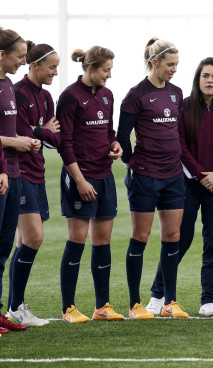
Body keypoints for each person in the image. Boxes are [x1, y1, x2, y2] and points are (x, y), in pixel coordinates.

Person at [147, 57, 213, 317]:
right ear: (197, 80)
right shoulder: (183, 108)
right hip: (187, 184)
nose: (209, 81)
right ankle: (158, 294)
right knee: (179, 239)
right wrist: (202, 175)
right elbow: (180, 146)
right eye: (205, 76)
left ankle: (208, 300)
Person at [118, 38, 188, 319]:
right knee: (141, 236)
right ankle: (136, 304)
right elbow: (122, 137)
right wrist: (133, 162)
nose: (174, 69)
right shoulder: (135, 95)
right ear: (154, 62)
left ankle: (170, 301)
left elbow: (177, 132)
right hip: (145, 177)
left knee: (173, 236)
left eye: (177, 65)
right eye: (170, 64)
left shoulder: (177, 93)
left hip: (173, 176)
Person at [56, 45, 124, 323]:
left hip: (104, 176)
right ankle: (68, 308)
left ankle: (102, 306)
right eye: (106, 70)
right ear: (91, 68)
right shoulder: (70, 97)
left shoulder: (107, 95)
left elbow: (109, 132)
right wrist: (80, 180)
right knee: (77, 240)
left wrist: (115, 144)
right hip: (79, 178)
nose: (109, 75)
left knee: (103, 240)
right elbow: (64, 143)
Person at [5, 41, 61, 327]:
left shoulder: (48, 97)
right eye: (51, 67)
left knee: (23, 240)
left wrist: (40, 134)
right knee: (34, 238)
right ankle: (15, 306)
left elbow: (52, 138)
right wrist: (41, 133)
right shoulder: (16, 92)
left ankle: (16, 306)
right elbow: (20, 134)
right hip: (19, 172)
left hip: (37, 172)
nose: (55, 72)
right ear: (34, 65)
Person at [0, 27, 32, 333]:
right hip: (1, 175)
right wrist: (14, 143)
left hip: (14, 174)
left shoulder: (8, 84)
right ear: (1, 54)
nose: (22, 62)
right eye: (19, 56)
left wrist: (21, 140)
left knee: (4, 246)